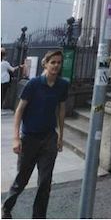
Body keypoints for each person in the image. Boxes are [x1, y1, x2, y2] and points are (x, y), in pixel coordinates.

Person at [2, 50, 68, 219]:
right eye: (53, 62)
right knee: (22, 179)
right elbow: (19, 111)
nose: (56, 65)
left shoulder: (62, 85)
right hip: (29, 138)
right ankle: (6, 207)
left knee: (45, 182)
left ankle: (38, 216)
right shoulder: (33, 84)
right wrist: (16, 138)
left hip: (49, 138)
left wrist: (60, 136)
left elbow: (61, 110)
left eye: (59, 62)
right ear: (45, 64)